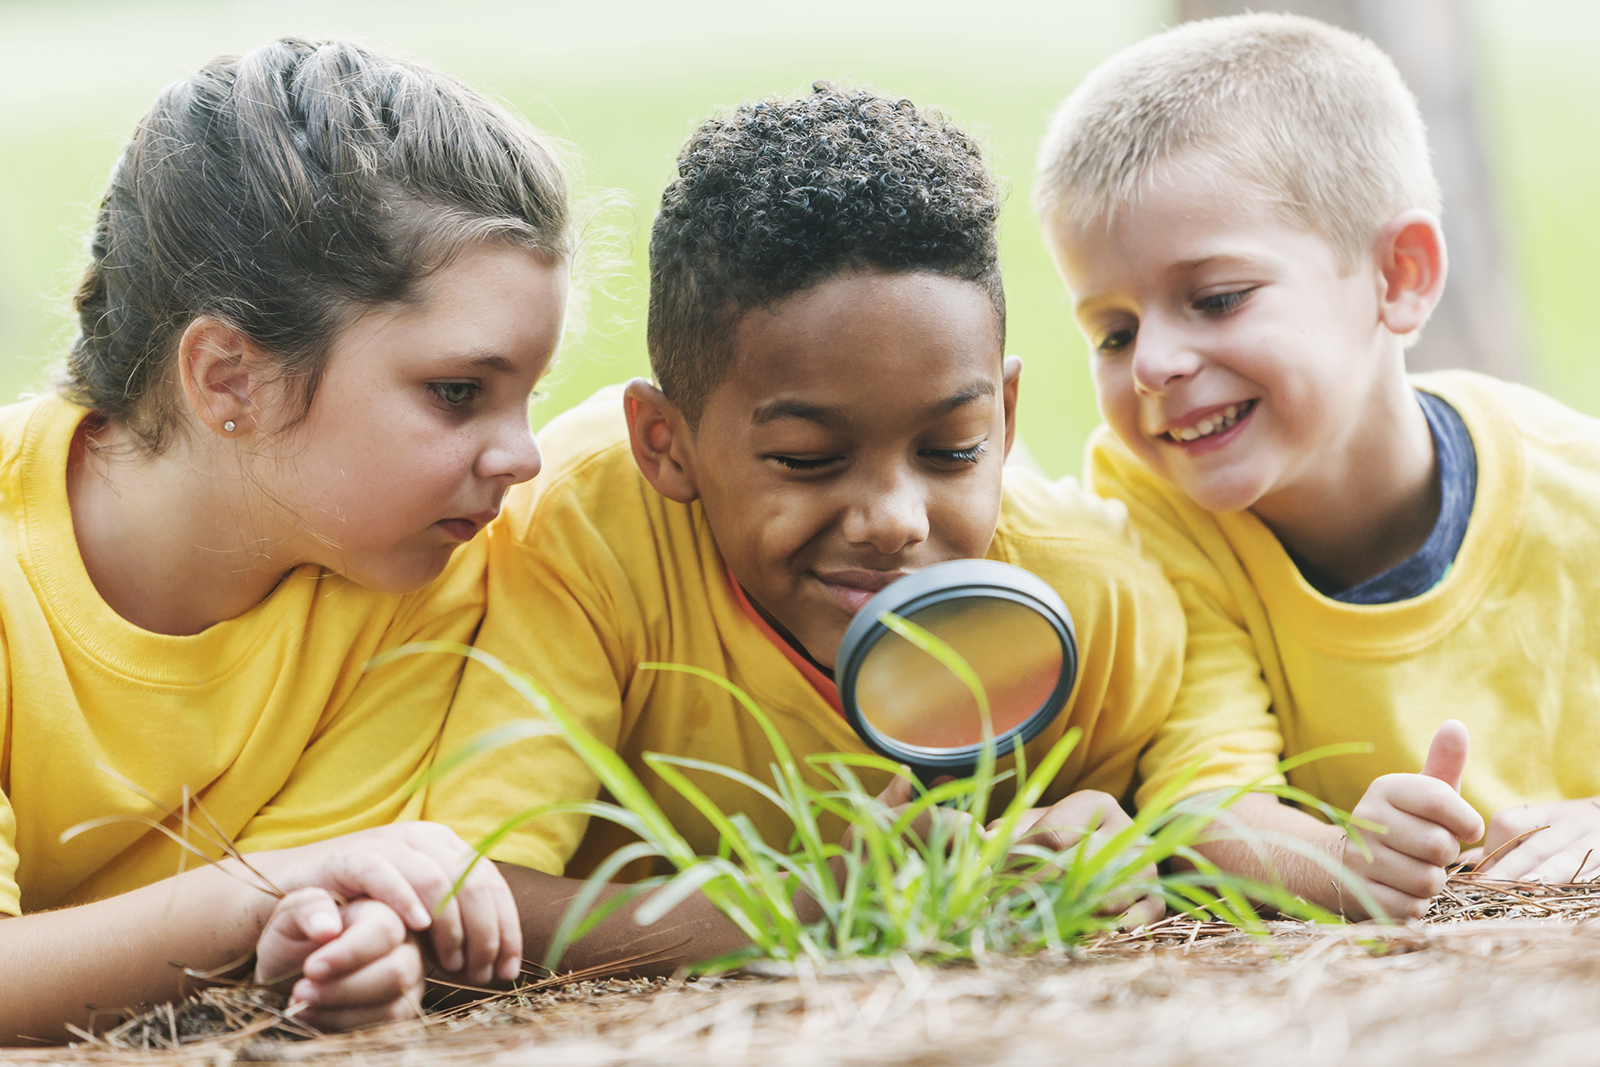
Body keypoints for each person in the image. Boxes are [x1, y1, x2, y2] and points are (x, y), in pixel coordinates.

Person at [424, 85, 1188, 969]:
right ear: (664, 445)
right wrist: (824, 907)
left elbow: (1192, 820)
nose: (893, 522)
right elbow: (472, 892)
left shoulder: (1089, 596)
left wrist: (1120, 855)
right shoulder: (590, 528)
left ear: (1007, 418)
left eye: (951, 450)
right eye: (805, 458)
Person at [1, 38, 571, 1042]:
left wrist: (343, 950)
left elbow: (304, 916)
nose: (523, 456)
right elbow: (261, 896)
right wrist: (254, 897)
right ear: (229, 377)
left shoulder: (422, 570)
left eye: (528, 396)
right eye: (457, 393)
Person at [1035, 12, 1600, 921]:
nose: (1151, 366)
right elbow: (1201, 801)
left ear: (1399, 275)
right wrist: (1343, 862)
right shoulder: (1156, 513)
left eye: (1215, 299)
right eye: (1114, 330)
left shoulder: (1577, 488)